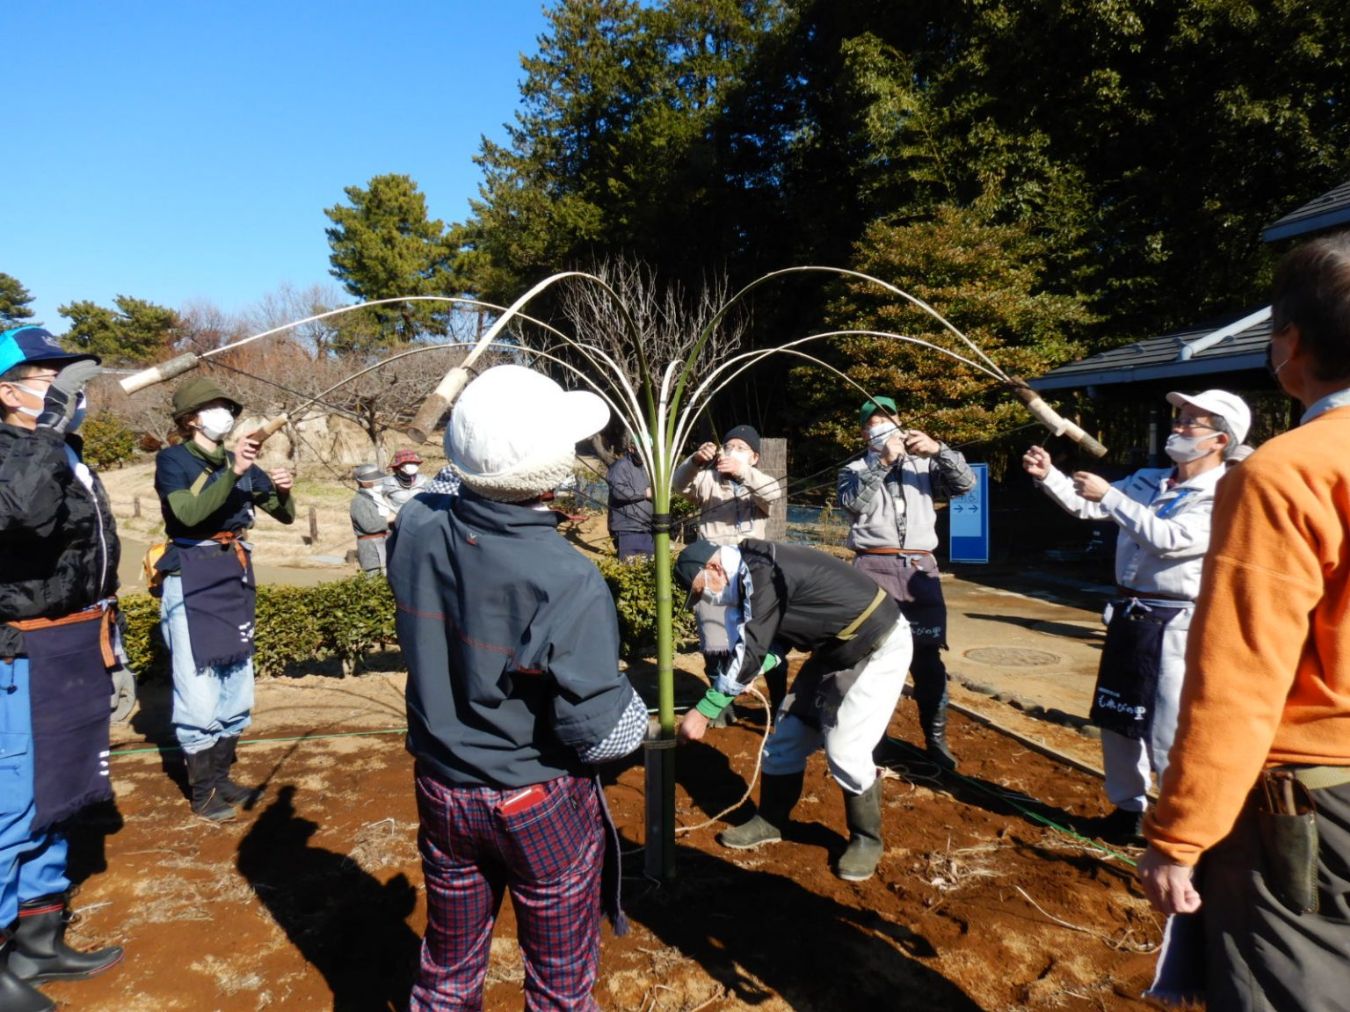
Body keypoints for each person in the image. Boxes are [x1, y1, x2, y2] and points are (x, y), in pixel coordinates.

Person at [387, 364, 646, 1010]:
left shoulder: (416, 527)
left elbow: (445, 486)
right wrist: (644, 714)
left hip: (442, 788)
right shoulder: (568, 575)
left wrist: (465, 435)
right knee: (559, 982)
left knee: (447, 971)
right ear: (556, 473)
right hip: (535, 799)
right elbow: (601, 735)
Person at [1138, 234, 1350, 1010]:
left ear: (1291, 343)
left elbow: (1239, 683)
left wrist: (1179, 835)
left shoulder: (1287, 472)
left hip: (1315, 801)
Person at [1023, 388, 1250, 845]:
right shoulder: (1147, 478)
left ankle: (1180, 823)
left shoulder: (1223, 493)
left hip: (1175, 622)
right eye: (1179, 417)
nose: (1178, 427)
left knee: (1167, 726)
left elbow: (1169, 538)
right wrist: (1051, 476)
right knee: (1117, 714)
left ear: (1219, 440)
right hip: (1128, 613)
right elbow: (1088, 506)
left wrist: (1112, 496)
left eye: (1191, 422)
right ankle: (1127, 809)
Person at [0, 326, 123, 1010]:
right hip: (20, 652)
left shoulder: (64, 451)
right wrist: (46, 431)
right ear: (6, 390)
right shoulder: (19, 451)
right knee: (10, 804)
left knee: (61, 792)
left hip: (75, 644)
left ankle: (39, 937)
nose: (64, 389)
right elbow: (21, 512)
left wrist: (117, 646)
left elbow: (92, 553)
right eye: (45, 375)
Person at [675, 538, 912, 881]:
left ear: (713, 568)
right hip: (834, 649)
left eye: (701, 590)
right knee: (787, 736)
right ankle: (771, 819)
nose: (706, 599)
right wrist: (752, 669)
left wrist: (706, 709)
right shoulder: (750, 575)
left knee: (846, 750)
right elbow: (775, 641)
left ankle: (866, 839)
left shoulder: (760, 572)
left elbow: (752, 649)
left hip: (877, 642)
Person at [153, 377, 295, 822]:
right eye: (212, 407)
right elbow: (188, 514)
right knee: (198, 683)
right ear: (190, 418)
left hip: (235, 569)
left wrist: (285, 487)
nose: (224, 415)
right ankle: (202, 793)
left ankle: (221, 778)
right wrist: (233, 470)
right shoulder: (173, 460)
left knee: (236, 676)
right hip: (191, 572)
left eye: (226, 407)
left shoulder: (243, 463)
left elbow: (285, 516)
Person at [837, 396, 975, 770]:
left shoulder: (924, 466)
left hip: (919, 568)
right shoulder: (853, 468)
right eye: (874, 421)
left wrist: (939, 449)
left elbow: (965, 485)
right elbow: (854, 504)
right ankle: (872, 740)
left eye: (889, 418)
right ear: (865, 432)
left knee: (927, 658)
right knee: (867, 656)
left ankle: (935, 738)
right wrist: (883, 461)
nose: (883, 425)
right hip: (872, 567)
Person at [671, 424, 787, 720]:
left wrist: (742, 472)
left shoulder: (758, 483)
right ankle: (722, 708)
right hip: (713, 574)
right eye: (728, 445)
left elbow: (773, 493)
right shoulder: (707, 481)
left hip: (753, 574)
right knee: (716, 645)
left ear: (754, 457)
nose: (732, 451)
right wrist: (695, 461)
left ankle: (780, 703)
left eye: (740, 447)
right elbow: (677, 485)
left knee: (764, 642)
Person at [606, 435, 653, 560]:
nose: (647, 454)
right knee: (630, 568)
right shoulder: (620, 466)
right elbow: (617, 491)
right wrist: (644, 493)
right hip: (627, 529)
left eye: (650, 450)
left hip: (646, 528)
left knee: (647, 569)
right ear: (631, 449)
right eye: (643, 450)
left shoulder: (646, 468)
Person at [349, 463, 393, 575]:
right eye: (374, 480)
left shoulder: (377, 497)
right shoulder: (359, 501)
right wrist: (388, 520)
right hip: (370, 548)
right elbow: (369, 526)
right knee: (372, 580)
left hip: (385, 543)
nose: (377, 483)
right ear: (364, 483)